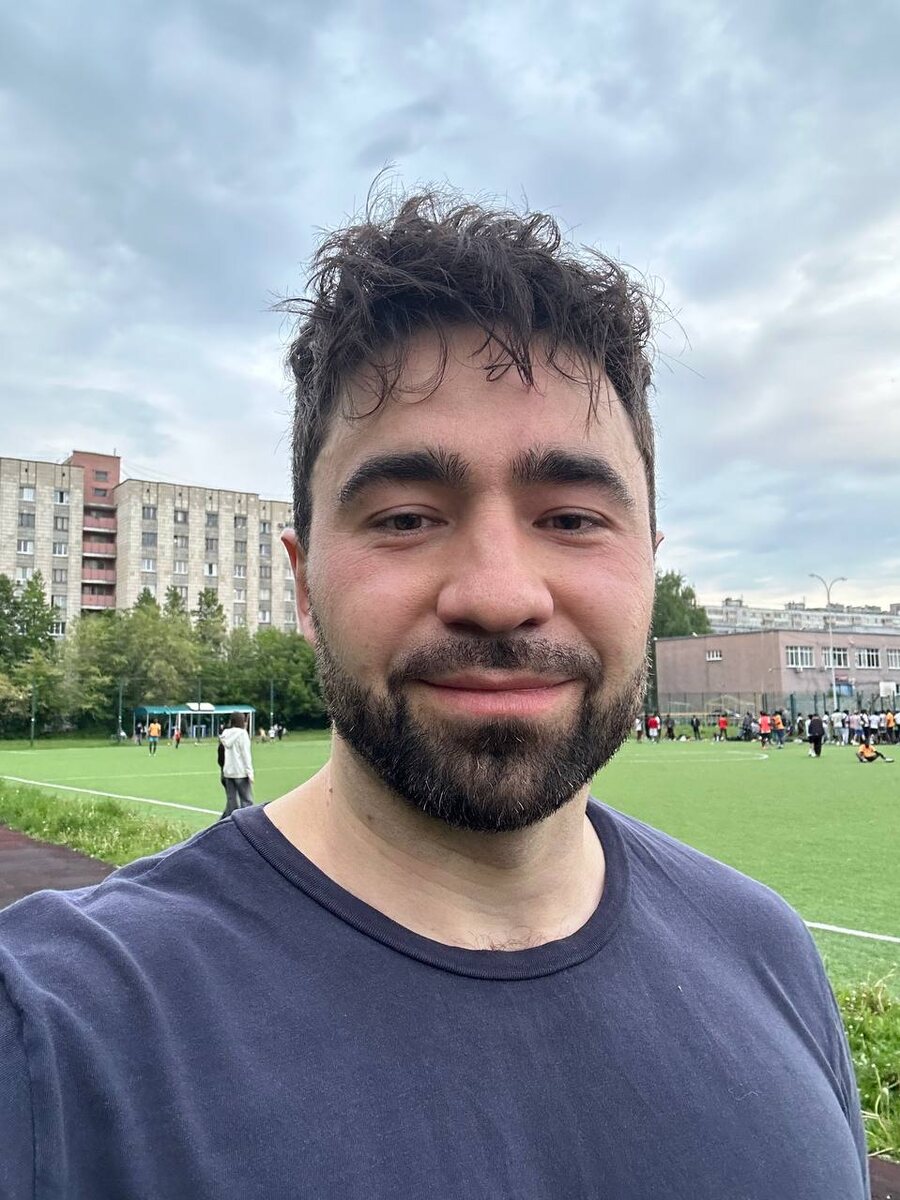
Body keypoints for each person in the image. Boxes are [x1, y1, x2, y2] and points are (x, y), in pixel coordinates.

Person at [0, 189, 868, 1199]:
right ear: (303, 585)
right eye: (407, 518)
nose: (498, 594)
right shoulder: (52, 1040)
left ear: (648, 564)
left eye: (572, 518)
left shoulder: (769, 954)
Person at [218, 712, 255, 818]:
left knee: (232, 802)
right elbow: (245, 754)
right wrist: (250, 772)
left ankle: (228, 823)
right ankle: (247, 822)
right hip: (240, 772)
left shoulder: (225, 733)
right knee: (246, 801)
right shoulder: (242, 734)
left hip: (228, 772)